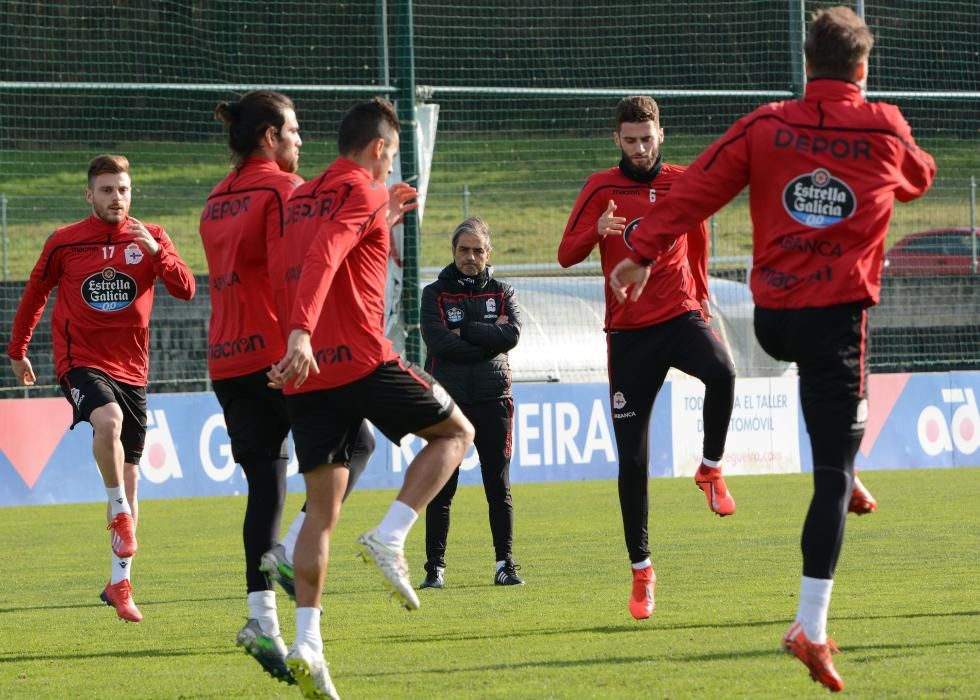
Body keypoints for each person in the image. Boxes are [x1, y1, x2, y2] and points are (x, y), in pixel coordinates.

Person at [609, 7, 935, 691]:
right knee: (832, 476)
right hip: (833, 322)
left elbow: (695, 189)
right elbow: (921, 178)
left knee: (831, 436)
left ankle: (838, 466)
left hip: (773, 317)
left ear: (805, 63)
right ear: (863, 68)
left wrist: (639, 251)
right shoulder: (884, 125)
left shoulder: (765, 125)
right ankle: (808, 627)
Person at [268, 97, 474, 699]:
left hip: (308, 376)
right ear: (381, 148)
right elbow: (327, 255)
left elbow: (302, 258)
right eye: (390, 156)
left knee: (320, 516)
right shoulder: (359, 192)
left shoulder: (303, 196)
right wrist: (303, 332)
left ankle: (308, 640)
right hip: (358, 359)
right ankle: (390, 534)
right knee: (458, 433)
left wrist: (291, 341)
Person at [201, 90, 375, 684]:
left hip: (226, 359)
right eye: (294, 131)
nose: (301, 141)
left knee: (264, 488)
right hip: (277, 354)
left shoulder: (214, 199)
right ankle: (292, 549)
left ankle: (260, 619)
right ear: (269, 138)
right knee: (359, 443)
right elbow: (294, 269)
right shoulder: (283, 191)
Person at [558, 96, 737, 621]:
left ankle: (710, 468)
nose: (640, 148)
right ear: (618, 139)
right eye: (630, 139)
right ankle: (641, 570)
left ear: (662, 134)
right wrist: (597, 231)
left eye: (647, 137)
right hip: (629, 336)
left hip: (680, 315)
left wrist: (701, 298)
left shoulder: (684, 181)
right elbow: (565, 254)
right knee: (633, 461)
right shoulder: (600, 187)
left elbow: (699, 239)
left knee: (724, 371)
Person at [7, 154, 195, 623]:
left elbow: (187, 289)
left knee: (133, 480)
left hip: (134, 371)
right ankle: (116, 513)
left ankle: (120, 582)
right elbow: (36, 291)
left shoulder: (150, 237)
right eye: (107, 189)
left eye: (123, 189)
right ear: (89, 194)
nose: (117, 197)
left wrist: (157, 251)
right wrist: (18, 349)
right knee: (106, 422)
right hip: (80, 362)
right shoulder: (65, 242)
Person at [418, 217, 524, 589]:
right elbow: (438, 342)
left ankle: (505, 565)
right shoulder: (434, 294)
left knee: (498, 486)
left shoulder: (503, 291)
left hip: (495, 400)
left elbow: (511, 335)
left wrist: (466, 331)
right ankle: (435, 569)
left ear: (488, 253)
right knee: (442, 487)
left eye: (478, 250)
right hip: (449, 404)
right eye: (464, 250)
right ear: (454, 252)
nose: (470, 256)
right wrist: (485, 341)